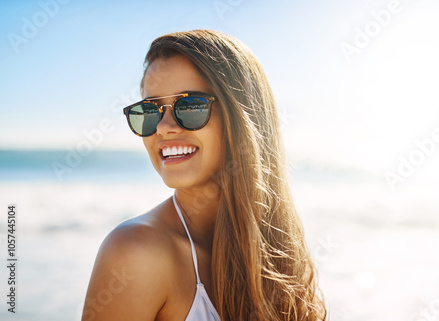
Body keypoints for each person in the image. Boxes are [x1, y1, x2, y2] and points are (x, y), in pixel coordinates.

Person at [82, 29, 327, 321]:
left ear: (242, 115)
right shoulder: (135, 252)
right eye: (150, 110)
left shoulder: (280, 250)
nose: (163, 127)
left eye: (191, 106)